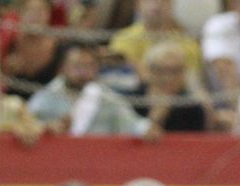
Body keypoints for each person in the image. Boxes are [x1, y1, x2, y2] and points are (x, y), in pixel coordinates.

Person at [29, 44, 157, 136]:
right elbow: (27, 123)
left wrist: (146, 128)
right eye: (77, 66)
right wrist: (45, 128)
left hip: (97, 161)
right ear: (63, 68)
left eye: (90, 66)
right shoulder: (45, 96)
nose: (84, 72)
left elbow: (132, 123)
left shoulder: (107, 98)